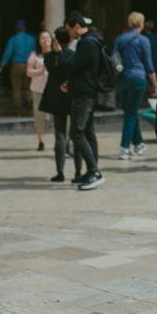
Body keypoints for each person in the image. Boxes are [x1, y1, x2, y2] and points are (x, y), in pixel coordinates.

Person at [63, 11, 104, 191]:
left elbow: (73, 66)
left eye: (69, 30)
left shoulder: (85, 43)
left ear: (77, 27)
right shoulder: (93, 39)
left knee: (76, 133)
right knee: (87, 132)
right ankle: (91, 171)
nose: (69, 33)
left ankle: (94, 171)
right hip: (88, 91)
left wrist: (63, 55)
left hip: (83, 93)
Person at [112, 11, 157, 160]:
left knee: (130, 112)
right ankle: (125, 148)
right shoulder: (143, 40)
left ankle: (139, 143)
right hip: (138, 79)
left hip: (123, 79)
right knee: (131, 114)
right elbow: (149, 65)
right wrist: (155, 84)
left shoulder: (120, 39)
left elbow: (114, 57)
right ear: (140, 23)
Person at [40, 27, 79, 183]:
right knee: (76, 135)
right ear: (69, 40)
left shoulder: (49, 57)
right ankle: (77, 172)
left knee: (60, 135)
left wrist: (55, 51)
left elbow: (52, 66)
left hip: (56, 98)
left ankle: (60, 172)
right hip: (71, 96)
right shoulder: (72, 56)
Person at [0, 19, 35, 116]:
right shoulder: (32, 39)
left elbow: (8, 53)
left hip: (17, 66)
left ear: (16, 28)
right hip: (29, 65)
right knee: (29, 89)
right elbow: (35, 52)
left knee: (17, 89)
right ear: (25, 28)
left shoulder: (13, 39)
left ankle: (19, 112)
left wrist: (1, 66)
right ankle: (31, 109)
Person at [26, 30, 53, 151]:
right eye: (43, 38)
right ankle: (41, 141)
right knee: (39, 117)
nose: (45, 40)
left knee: (56, 117)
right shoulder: (34, 55)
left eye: (47, 37)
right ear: (39, 41)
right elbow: (28, 72)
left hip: (53, 90)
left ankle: (59, 141)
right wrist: (40, 71)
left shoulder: (56, 54)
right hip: (38, 90)